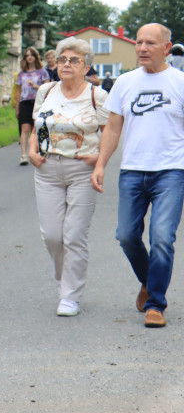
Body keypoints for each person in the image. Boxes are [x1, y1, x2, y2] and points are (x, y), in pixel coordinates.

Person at [92, 23, 184, 329]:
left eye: (150, 43)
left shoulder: (179, 83)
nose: (142, 48)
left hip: (171, 172)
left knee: (161, 238)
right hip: (132, 171)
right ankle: (149, 280)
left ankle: (156, 304)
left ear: (166, 48)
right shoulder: (125, 82)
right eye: (138, 42)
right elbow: (114, 127)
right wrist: (101, 164)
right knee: (127, 236)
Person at [28, 38, 108, 317]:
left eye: (74, 60)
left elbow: (111, 132)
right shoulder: (46, 91)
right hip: (47, 170)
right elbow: (38, 125)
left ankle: (70, 295)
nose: (66, 64)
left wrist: (100, 160)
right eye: (63, 59)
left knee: (73, 235)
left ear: (86, 67)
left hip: (81, 170)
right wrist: (31, 149)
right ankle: (66, 280)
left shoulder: (97, 96)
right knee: (52, 236)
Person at [14, 47, 50, 166]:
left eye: (32, 55)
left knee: (37, 128)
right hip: (24, 102)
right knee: (24, 129)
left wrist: (35, 86)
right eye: (27, 55)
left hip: (38, 103)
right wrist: (17, 106)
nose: (29, 57)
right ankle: (23, 155)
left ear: (35, 57)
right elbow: (18, 91)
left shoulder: (42, 72)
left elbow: (47, 89)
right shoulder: (21, 73)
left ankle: (37, 151)